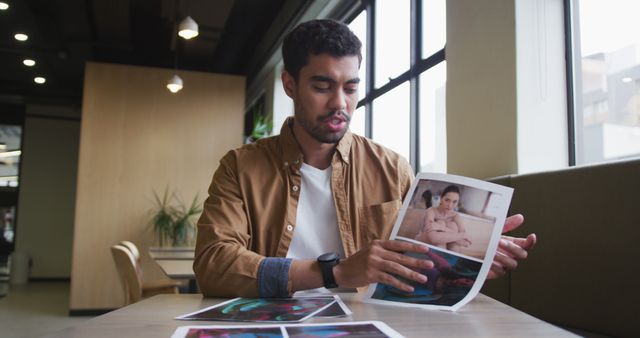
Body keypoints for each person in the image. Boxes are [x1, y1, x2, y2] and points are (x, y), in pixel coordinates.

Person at [194, 19, 536, 298]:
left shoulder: (392, 168)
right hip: (271, 322)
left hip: (368, 322)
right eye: (323, 86)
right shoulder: (239, 167)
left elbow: (417, 264)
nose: (340, 104)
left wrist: (469, 261)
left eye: (351, 87)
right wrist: (335, 272)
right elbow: (213, 264)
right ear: (289, 84)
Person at [415, 185, 472, 251]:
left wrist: (442, 228)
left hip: (443, 244)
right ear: (441, 198)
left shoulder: (455, 216)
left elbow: (466, 243)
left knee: (452, 229)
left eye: (454, 202)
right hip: (423, 242)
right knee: (441, 224)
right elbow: (432, 238)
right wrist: (459, 236)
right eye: (447, 200)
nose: (450, 205)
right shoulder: (431, 211)